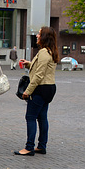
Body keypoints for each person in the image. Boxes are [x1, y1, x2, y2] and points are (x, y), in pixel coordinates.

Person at [15, 27, 59, 156]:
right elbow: (41, 67)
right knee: (42, 117)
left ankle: (29, 147)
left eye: (39, 34)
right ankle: (41, 146)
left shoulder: (44, 53)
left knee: (31, 117)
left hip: (41, 88)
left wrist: (27, 91)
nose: (37, 36)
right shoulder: (49, 51)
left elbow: (39, 75)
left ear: (44, 37)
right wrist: (28, 63)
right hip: (48, 87)